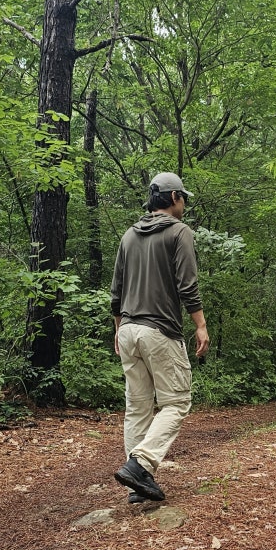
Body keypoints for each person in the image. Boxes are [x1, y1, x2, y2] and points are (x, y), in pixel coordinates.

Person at [110, 172, 210, 503]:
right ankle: (140, 466)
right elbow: (187, 284)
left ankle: (135, 486)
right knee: (177, 402)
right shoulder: (179, 232)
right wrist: (200, 324)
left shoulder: (129, 235)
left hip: (127, 330)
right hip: (159, 330)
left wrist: (117, 328)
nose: (185, 203)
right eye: (183, 197)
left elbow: (116, 291)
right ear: (173, 198)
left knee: (137, 407)